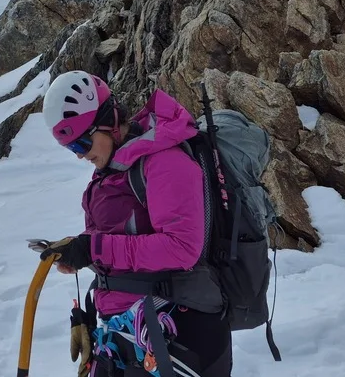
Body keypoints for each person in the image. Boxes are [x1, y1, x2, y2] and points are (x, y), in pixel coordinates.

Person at [32, 70, 232, 377]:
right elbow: (114, 241)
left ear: (109, 121)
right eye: (73, 148)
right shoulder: (113, 170)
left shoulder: (165, 161)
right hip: (127, 334)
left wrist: (94, 249)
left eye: (83, 142)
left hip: (178, 332)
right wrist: (78, 250)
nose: (81, 155)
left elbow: (182, 248)